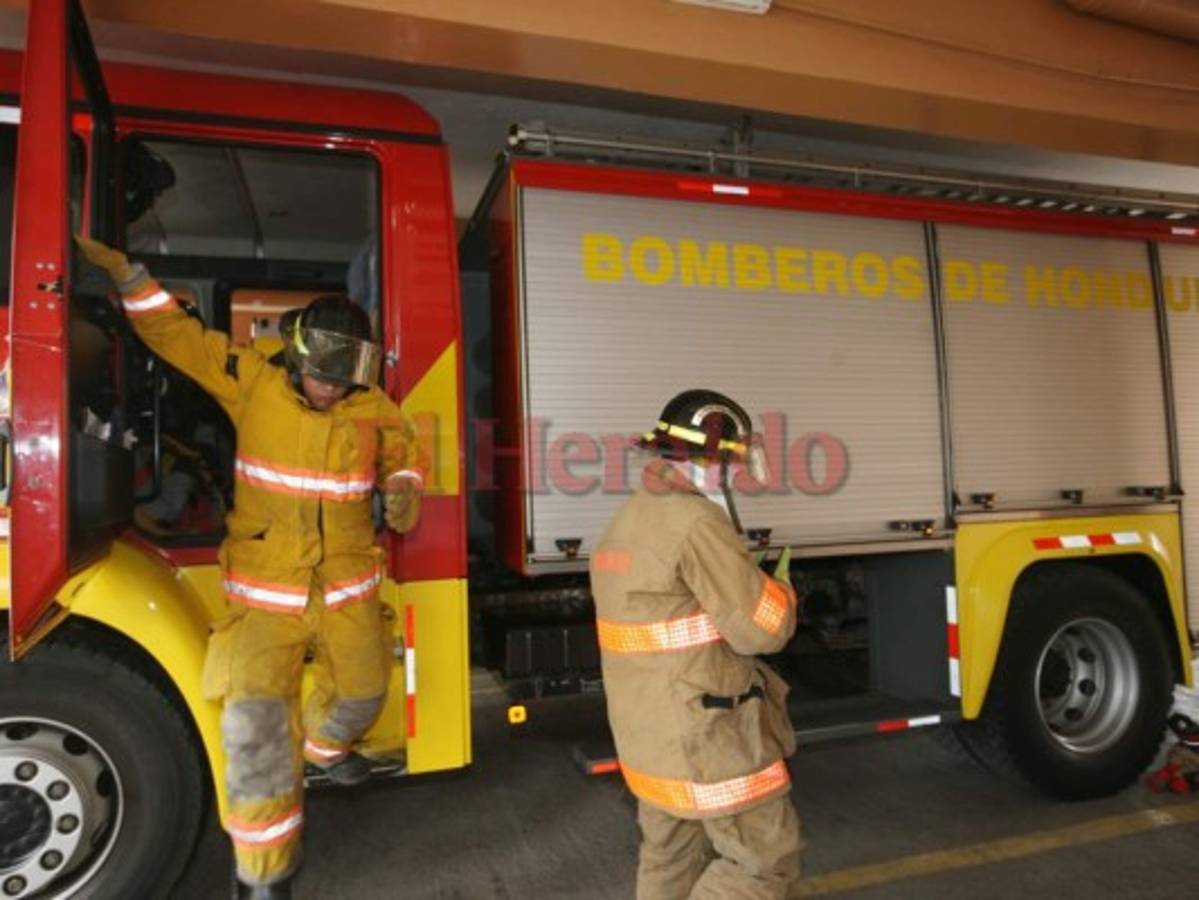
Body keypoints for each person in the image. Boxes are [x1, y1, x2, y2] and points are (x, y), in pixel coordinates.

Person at [76, 236, 426, 900]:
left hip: (347, 592)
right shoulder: (250, 382)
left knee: (363, 693)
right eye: (323, 375)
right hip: (265, 603)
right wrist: (130, 275)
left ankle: (326, 751)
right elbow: (175, 335)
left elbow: (406, 441)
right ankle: (263, 877)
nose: (332, 389)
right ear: (295, 361)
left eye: (345, 376)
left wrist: (405, 479)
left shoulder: (368, 404)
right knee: (260, 743)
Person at [589, 389, 803, 900]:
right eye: (731, 462)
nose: (733, 476)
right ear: (715, 458)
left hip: (651, 740)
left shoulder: (630, 519)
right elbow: (764, 630)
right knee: (763, 865)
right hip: (708, 740)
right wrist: (783, 592)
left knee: (669, 862)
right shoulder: (697, 523)